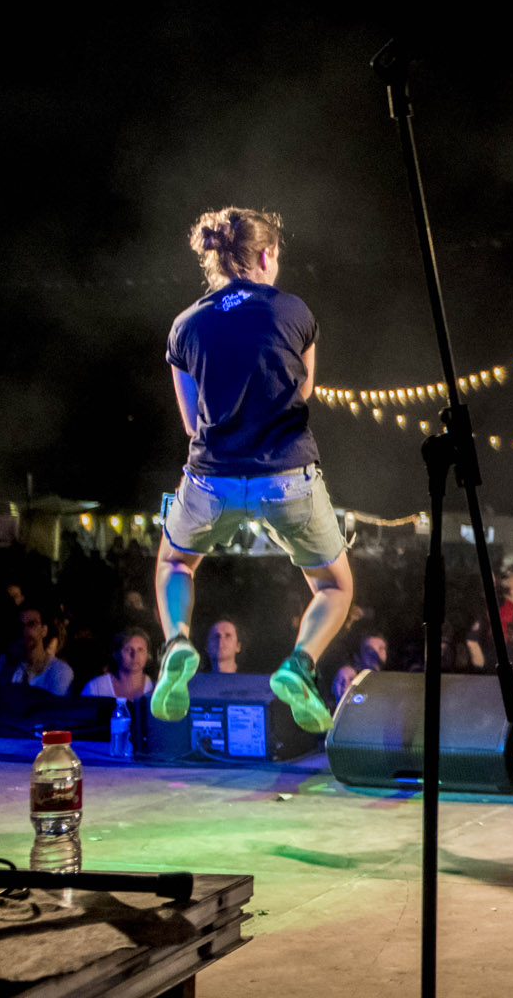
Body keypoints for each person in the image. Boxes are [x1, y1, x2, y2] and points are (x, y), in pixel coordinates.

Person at [152, 207, 353, 734]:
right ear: (266, 255)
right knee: (333, 586)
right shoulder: (294, 311)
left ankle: (176, 642)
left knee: (175, 563)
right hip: (287, 475)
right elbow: (303, 390)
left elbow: (192, 422)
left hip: (210, 478)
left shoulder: (185, 325)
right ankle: (299, 665)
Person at [0, 605, 74, 697]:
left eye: (32, 624)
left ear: (44, 630)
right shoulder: (2, 665)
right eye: (21, 626)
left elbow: (54, 704)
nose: (26, 631)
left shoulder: (60, 671)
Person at [82, 627, 155, 701]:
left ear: (148, 655)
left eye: (140, 650)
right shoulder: (95, 688)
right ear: (115, 654)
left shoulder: (155, 687)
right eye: (128, 649)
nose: (134, 655)